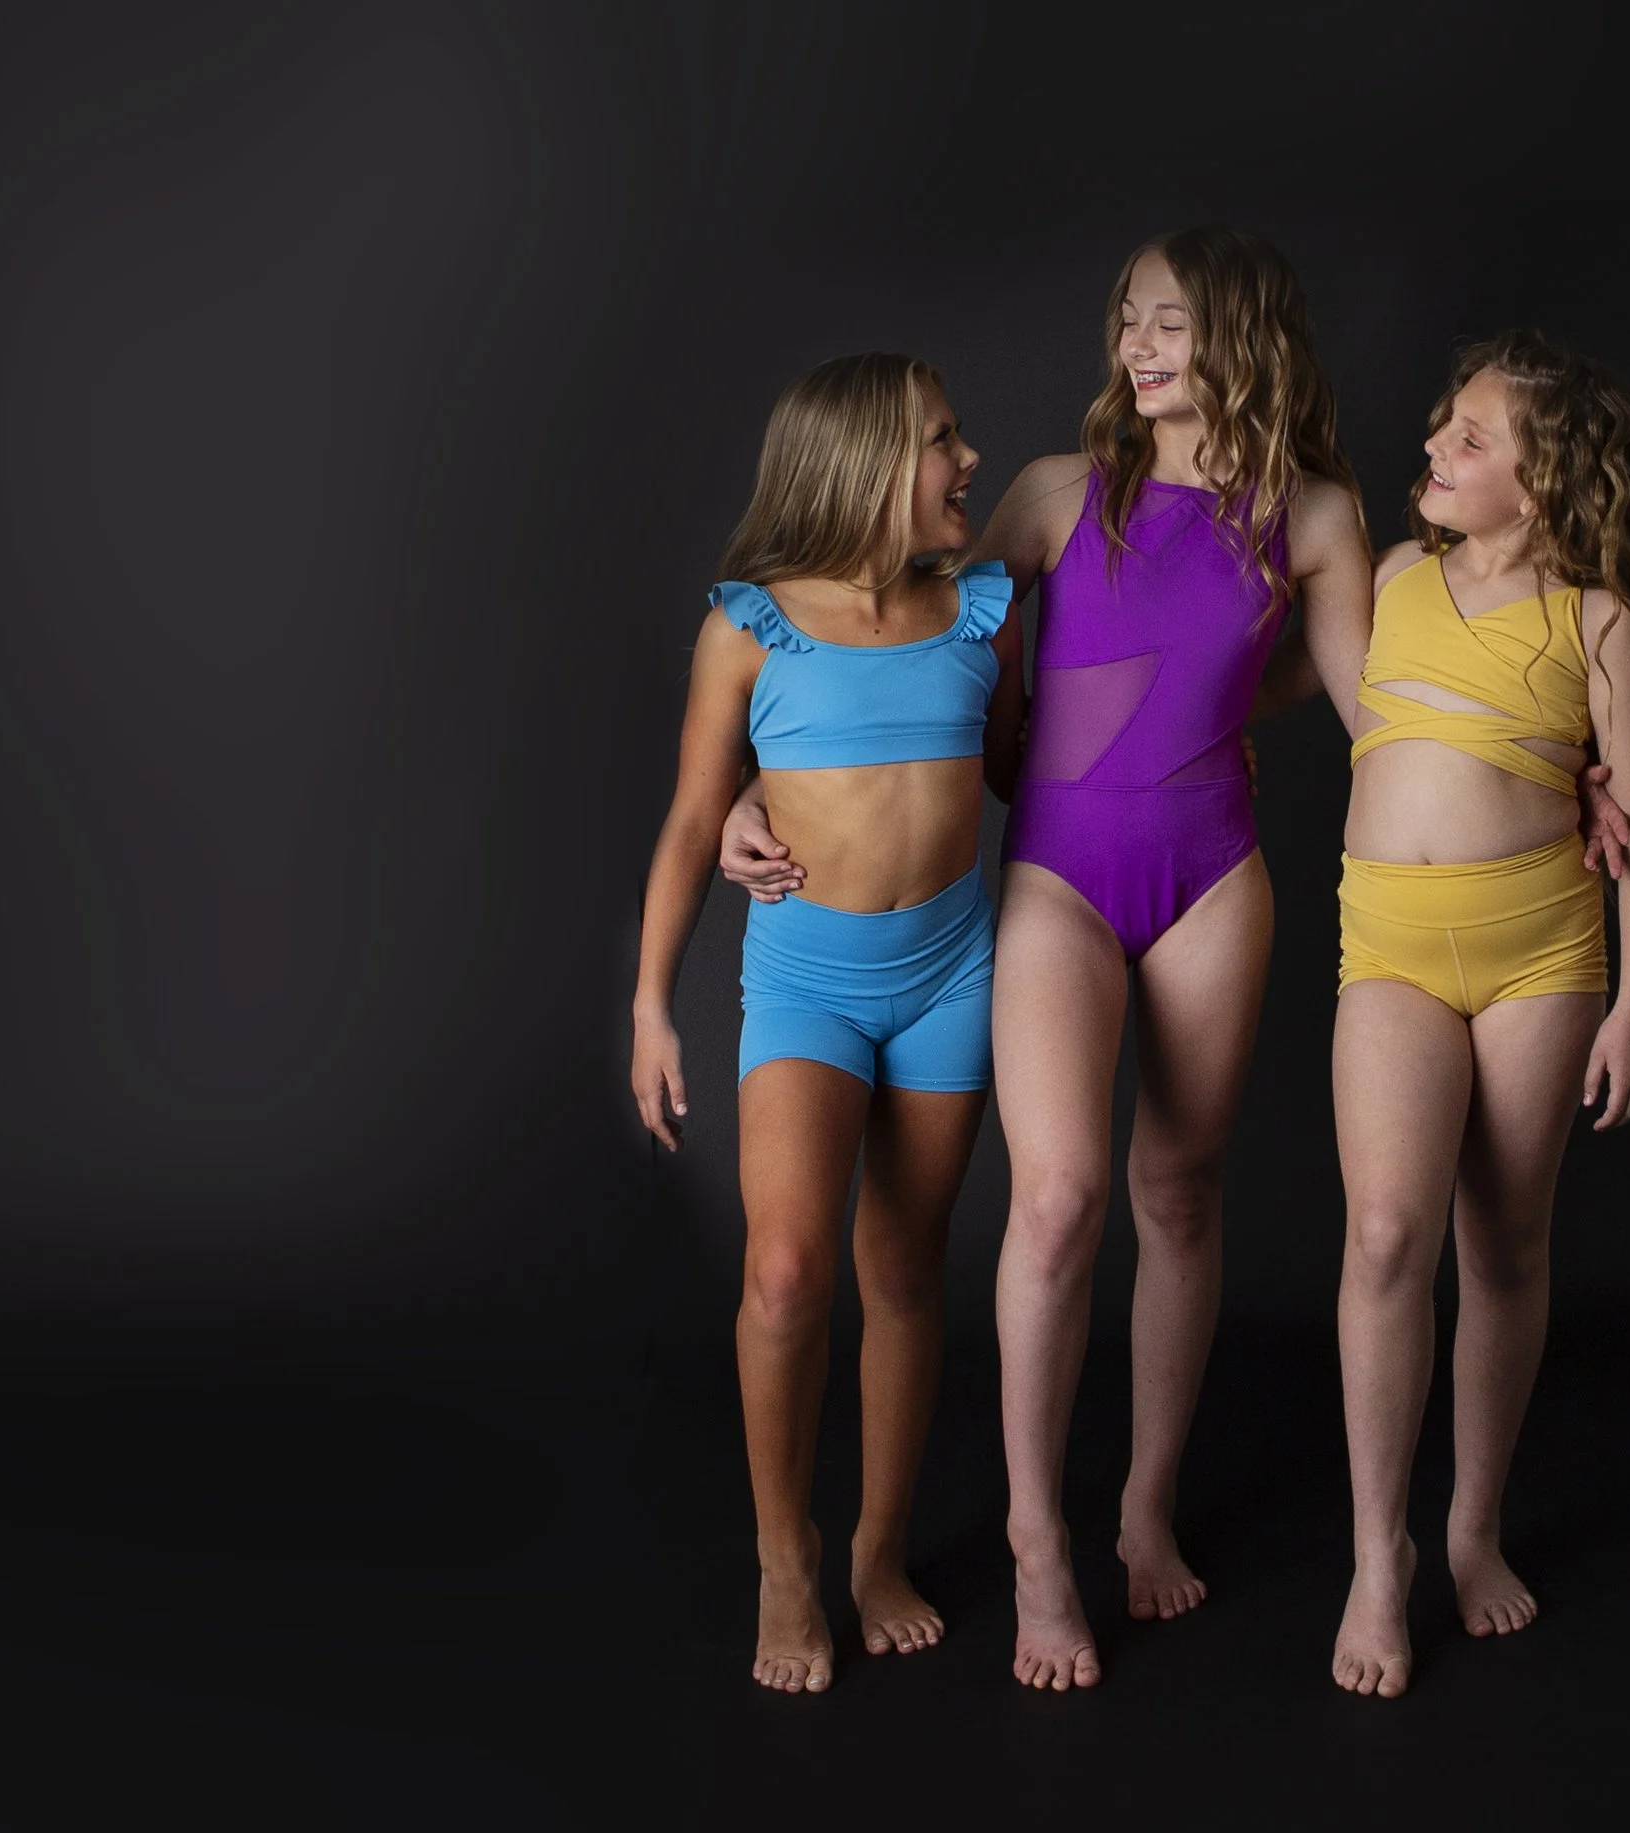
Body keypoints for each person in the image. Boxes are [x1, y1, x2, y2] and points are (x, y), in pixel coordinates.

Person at [726, 226, 1374, 1689]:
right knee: (1064, 1196)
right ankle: (1035, 1541)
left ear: (1244, 336)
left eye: (1169, 324)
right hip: (1060, 876)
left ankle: (1144, 1506)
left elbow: (1387, 720)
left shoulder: (1319, 517)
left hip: (1213, 876)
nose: (1136, 348)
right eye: (1128, 321)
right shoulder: (1053, 492)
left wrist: (1561, 776)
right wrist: (754, 791)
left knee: (1180, 1192)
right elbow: (889, 646)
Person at [629, 353, 1024, 1695]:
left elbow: (1026, 766)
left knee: (905, 1269)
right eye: (942, 440)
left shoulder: (978, 609)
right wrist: (651, 1005)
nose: (968, 461)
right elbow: (694, 815)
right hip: (808, 983)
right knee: (790, 1273)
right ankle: (785, 1556)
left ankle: (877, 1551)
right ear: (865, 464)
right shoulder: (750, 629)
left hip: (952, 973)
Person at [1326, 331, 1630, 1698]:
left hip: (1542, 956)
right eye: (1443, 422)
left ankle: (1471, 1528)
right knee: (1385, 1235)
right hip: (1391, 948)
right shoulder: (1389, 578)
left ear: (1541, 484)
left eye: (1470, 437)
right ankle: (1379, 1555)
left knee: (1505, 1240)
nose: (1434, 444)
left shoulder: (1602, 623)